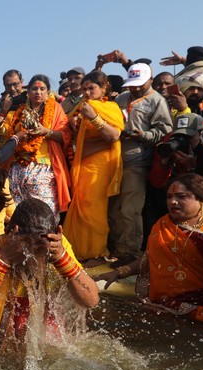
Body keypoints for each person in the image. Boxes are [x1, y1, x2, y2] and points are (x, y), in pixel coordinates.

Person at [0, 198, 99, 359]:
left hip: (44, 333)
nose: (33, 258)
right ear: (10, 235)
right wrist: (2, 260)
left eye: (40, 250)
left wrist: (61, 258)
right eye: (28, 249)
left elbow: (91, 301)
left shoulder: (56, 247)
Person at [96, 174, 203, 324]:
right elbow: (151, 258)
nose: (173, 202)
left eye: (181, 196)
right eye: (169, 197)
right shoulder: (162, 225)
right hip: (162, 306)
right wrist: (118, 272)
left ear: (201, 199)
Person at [109, 63, 173, 264]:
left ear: (150, 80)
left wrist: (144, 135)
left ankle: (130, 253)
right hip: (115, 160)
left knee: (130, 209)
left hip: (138, 161)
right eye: (132, 84)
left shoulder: (156, 100)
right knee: (114, 209)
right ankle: (117, 249)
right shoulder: (121, 98)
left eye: (139, 84)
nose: (135, 88)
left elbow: (166, 130)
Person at [62, 71, 125, 263]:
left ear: (104, 87)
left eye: (92, 88)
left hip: (100, 167)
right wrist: (72, 122)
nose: (87, 92)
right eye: (84, 89)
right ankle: (78, 252)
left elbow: (114, 135)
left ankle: (97, 253)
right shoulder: (81, 107)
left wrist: (94, 116)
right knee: (79, 209)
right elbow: (67, 129)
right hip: (81, 167)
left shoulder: (110, 107)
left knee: (93, 211)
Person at [0, 74, 72, 220]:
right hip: (17, 169)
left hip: (43, 169)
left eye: (42, 89)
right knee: (19, 215)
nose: (38, 92)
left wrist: (47, 132)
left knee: (44, 214)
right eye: (34, 89)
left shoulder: (56, 109)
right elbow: (4, 138)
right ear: (28, 91)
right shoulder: (18, 112)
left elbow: (65, 136)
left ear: (48, 92)